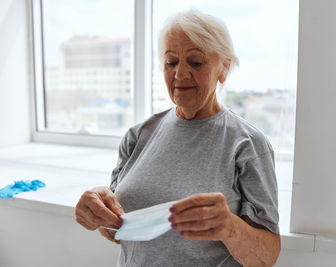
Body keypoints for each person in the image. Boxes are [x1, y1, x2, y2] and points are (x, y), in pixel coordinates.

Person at [75, 9, 280, 267]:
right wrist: (96, 211)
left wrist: (230, 227)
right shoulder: (138, 136)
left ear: (224, 68)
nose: (180, 73)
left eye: (195, 62)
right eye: (171, 62)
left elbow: (267, 256)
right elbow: (116, 231)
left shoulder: (247, 144)